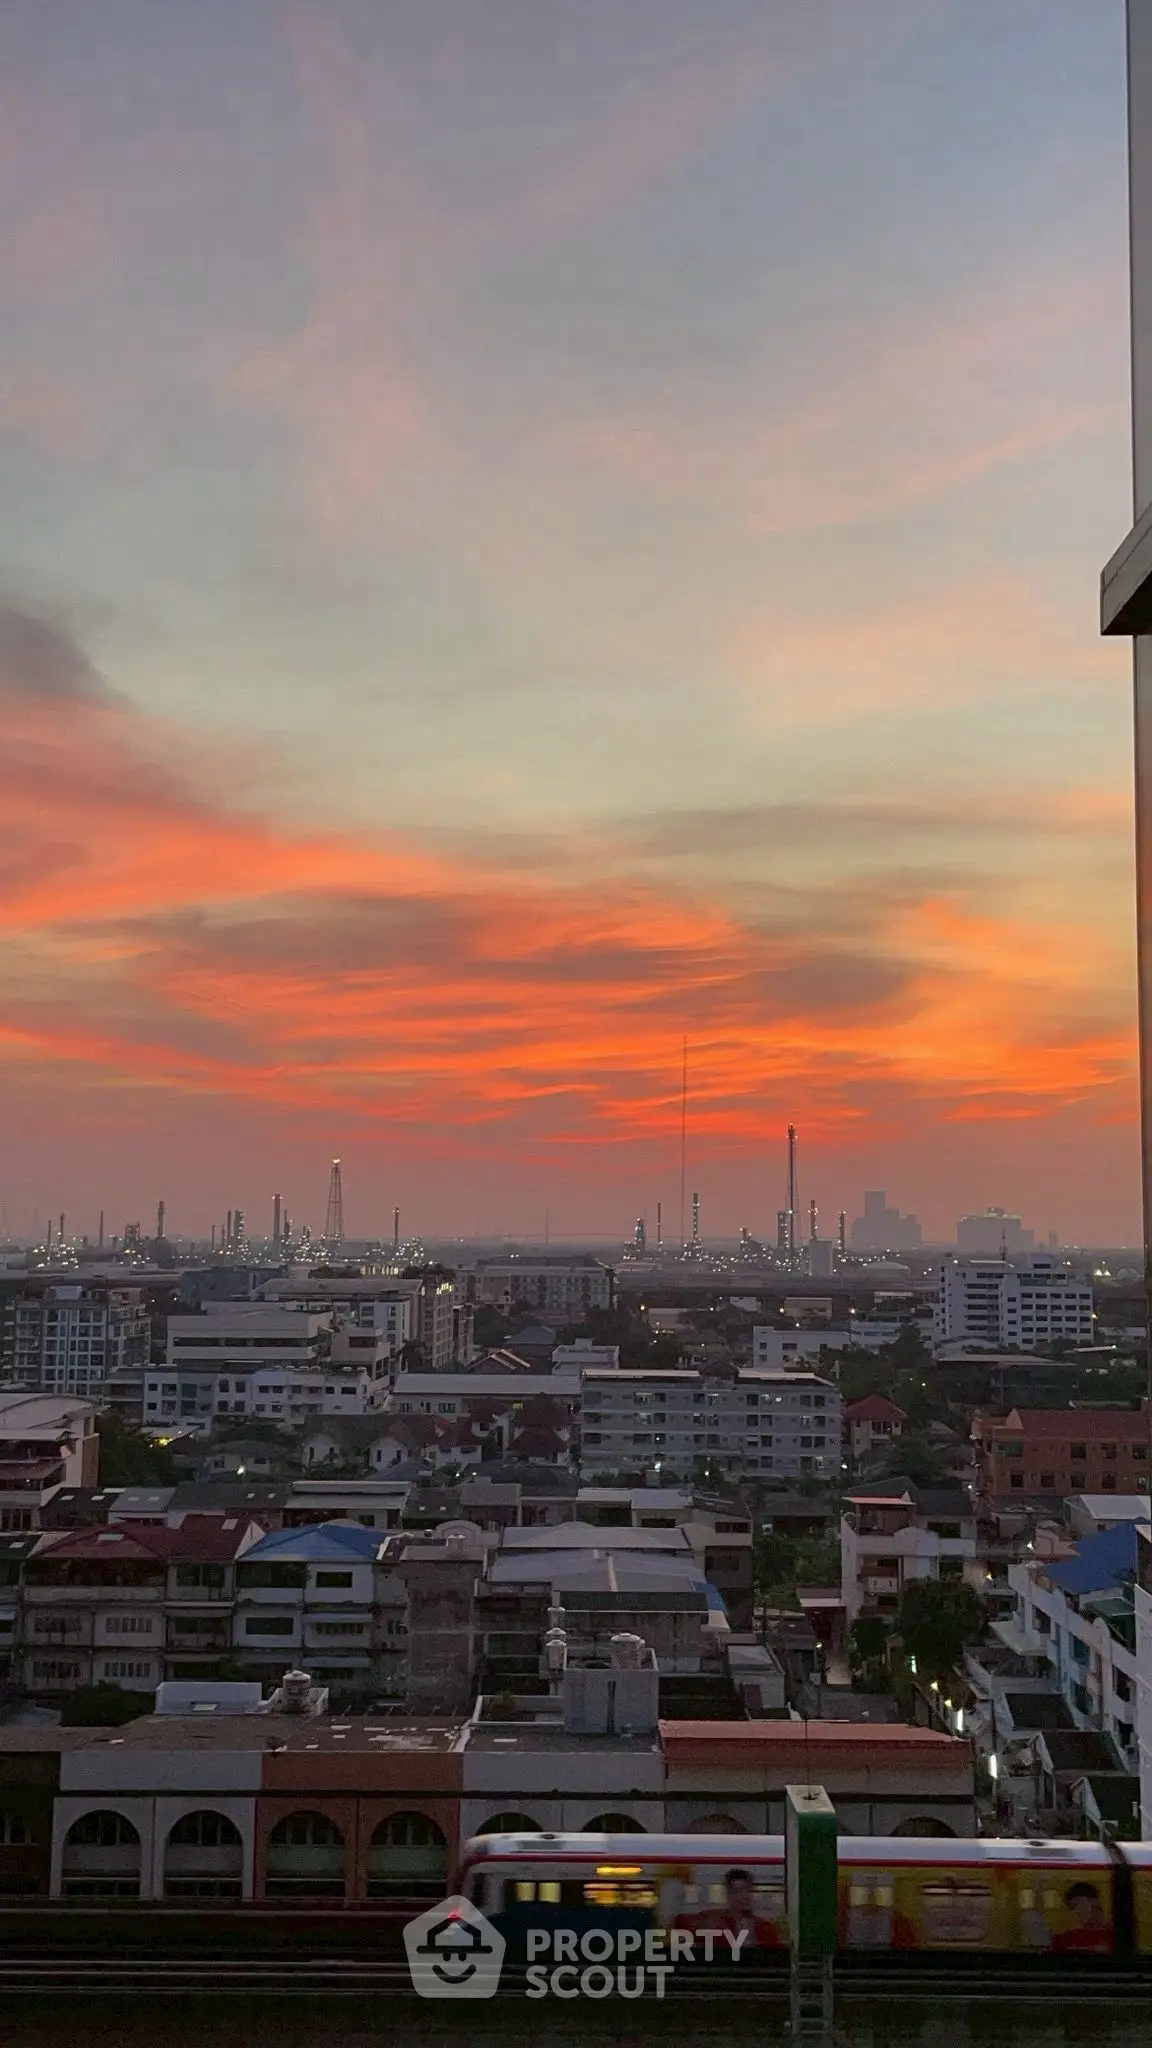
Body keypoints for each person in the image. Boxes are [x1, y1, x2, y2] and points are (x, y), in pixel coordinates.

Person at [689, 1867, 781, 1949]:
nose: (744, 1896)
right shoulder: (713, 1923)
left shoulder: (765, 1927)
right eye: (737, 1891)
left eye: (747, 1890)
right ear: (728, 1895)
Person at [1050, 1881, 1111, 1955]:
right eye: (1072, 1907)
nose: (1076, 1911)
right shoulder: (1063, 1940)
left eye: (1077, 1904)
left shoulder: (1115, 1938)